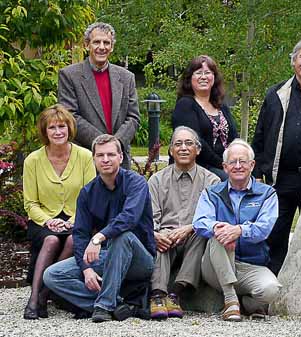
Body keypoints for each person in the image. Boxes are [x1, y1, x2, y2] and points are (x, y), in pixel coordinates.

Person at [44, 134, 156, 323]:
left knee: (122, 236)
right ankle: (119, 305)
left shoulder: (136, 183)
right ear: (93, 158)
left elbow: (128, 218)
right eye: (100, 155)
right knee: (53, 275)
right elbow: (79, 235)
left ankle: (104, 306)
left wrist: (98, 238)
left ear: (120, 157)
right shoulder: (87, 193)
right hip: (106, 256)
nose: (105, 160)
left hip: (140, 259)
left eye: (111, 155)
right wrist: (86, 269)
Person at [251, 35, 301, 275]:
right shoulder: (276, 94)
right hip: (281, 177)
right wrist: (257, 170)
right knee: (275, 233)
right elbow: (261, 133)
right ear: (293, 61)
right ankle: (268, 289)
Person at [193, 139, 280, 321]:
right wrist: (220, 228)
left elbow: (264, 228)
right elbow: (200, 222)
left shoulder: (267, 194)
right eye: (233, 162)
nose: (238, 166)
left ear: (252, 165)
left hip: (251, 266)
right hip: (215, 267)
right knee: (218, 232)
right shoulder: (212, 193)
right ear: (225, 167)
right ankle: (230, 298)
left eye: (243, 161)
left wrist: (239, 230)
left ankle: (247, 303)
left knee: (271, 290)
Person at [22, 105, 96, 319]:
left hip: (79, 217)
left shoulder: (85, 156)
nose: (57, 132)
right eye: (52, 127)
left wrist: (73, 220)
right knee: (52, 241)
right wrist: (48, 222)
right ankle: (35, 299)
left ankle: (45, 294)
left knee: (74, 240)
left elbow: (89, 199)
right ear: (45, 131)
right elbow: (30, 203)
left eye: (61, 126)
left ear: (69, 128)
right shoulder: (32, 161)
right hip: (42, 220)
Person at [147, 126, 219, 320]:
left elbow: (212, 218)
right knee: (159, 237)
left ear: (198, 149)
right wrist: (158, 234)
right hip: (166, 238)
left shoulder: (211, 181)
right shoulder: (156, 180)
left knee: (201, 230)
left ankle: (176, 293)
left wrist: (190, 227)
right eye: (178, 144)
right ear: (171, 151)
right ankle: (158, 295)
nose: (183, 148)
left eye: (189, 143)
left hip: (193, 238)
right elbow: (150, 218)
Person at [58, 22, 140, 169]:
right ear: (87, 45)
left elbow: (133, 117)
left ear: (112, 47)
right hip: (85, 158)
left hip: (119, 160)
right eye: (96, 42)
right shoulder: (69, 75)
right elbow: (69, 116)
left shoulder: (127, 77)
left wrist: (116, 144)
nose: (101, 47)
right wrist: (103, 144)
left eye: (106, 43)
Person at [172, 55, 239, 180]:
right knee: (228, 181)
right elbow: (197, 143)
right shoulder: (185, 105)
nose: (203, 77)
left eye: (208, 72)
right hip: (199, 167)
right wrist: (222, 165)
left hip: (224, 166)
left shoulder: (221, 106)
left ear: (214, 77)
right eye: (198, 73)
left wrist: (237, 161)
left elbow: (234, 137)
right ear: (189, 78)